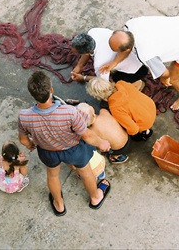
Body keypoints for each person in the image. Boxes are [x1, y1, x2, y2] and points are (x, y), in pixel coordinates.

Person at [18, 71, 111, 216]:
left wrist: (30, 144)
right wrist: (101, 142)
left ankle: (59, 204)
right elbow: (87, 135)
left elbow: (23, 139)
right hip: (73, 150)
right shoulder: (70, 112)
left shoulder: (24, 116)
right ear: (51, 91)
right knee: (85, 171)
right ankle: (95, 197)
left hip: (47, 152)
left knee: (53, 175)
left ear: (33, 95)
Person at [100, 16, 179, 110]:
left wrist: (164, 79)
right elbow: (127, 47)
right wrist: (114, 62)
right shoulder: (131, 25)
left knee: (174, 79)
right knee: (178, 55)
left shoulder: (145, 54)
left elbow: (164, 73)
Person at [70, 28, 148, 90]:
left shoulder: (99, 63)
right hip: (138, 56)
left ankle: (137, 83)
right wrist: (79, 66)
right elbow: (88, 53)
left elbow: (102, 82)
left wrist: (83, 78)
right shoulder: (94, 31)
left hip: (136, 71)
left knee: (113, 85)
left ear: (86, 53)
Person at [86, 78, 156, 142]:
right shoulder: (121, 83)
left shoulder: (115, 108)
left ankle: (144, 133)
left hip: (146, 122)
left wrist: (128, 133)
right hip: (150, 107)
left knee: (129, 129)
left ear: (98, 96)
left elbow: (134, 129)